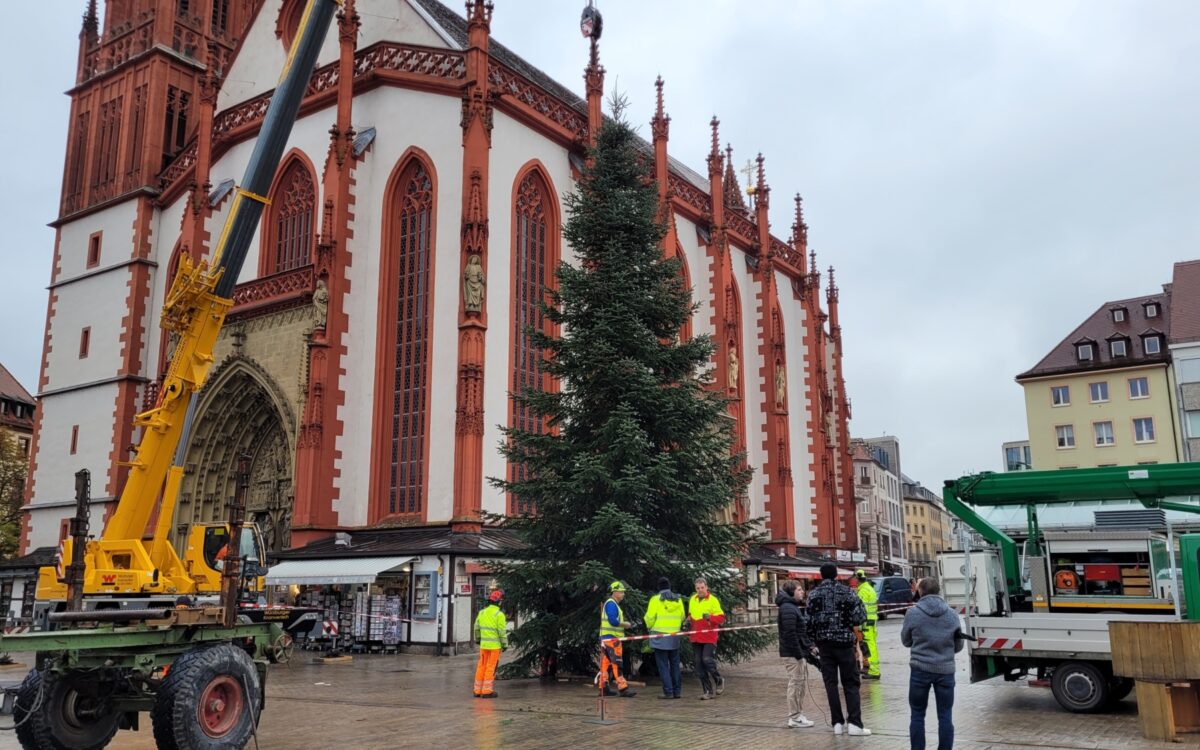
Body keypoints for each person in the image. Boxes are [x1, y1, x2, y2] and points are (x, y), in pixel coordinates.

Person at [807, 563, 870, 736]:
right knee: (850, 682)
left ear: (821, 576)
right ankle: (855, 724)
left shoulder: (813, 595)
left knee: (830, 683)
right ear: (836, 575)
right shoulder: (848, 592)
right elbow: (860, 616)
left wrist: (814, 640)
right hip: (844, 643)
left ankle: (837, 723)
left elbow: (808, 623)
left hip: (824, 644)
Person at [901, 577, 963, 750]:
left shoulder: (913, 613)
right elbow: (958, 645)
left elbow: (906, 641)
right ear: (938, 591)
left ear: (920, 592)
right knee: (945, 715)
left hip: (920, 670)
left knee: (917, 715)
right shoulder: (952, 615)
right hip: (945, 671)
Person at [776, 580, 817, 728]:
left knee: (800, 684)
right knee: (795, 683)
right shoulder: (787, 608)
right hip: (792, 654)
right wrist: (799, 654)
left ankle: (798, 714)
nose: (802, 592)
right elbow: (790, 634)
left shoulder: (792, 607)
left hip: (796, 652)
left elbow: (800, 632)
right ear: (792, 592)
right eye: (799, 590)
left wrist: (809, 647)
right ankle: (794, 716)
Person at [644, 576, 685, 699]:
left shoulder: (655, 600)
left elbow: (649, 618)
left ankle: (668, 692)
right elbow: (682, 616)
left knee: (663, 665)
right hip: (674, 636)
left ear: (659, 587)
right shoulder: (678, 600)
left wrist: (649, 626)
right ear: (669, 587)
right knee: (675, 664)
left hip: (660, 636)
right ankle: (677, 691)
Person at [687, 576, 726, 700]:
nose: (700, 590)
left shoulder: (713, 600)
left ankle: (718, 678)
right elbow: (691, 615)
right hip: (696, 636)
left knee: (707, 659)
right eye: (698, 588)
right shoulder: (692, 599)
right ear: (695, 589)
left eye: (702, 588)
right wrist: (687, 620)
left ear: (706, 587)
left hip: (709, 636)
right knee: (698, 664)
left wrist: (710, 617)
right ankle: (707, 691)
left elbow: (721, 619)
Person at [599, 581, 637, 697]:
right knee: (617, 663)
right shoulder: (611, 604)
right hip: (612, 639)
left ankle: (603, 687)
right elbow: (613, 621)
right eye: (621, 592)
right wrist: (625, 624)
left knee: (605, 664)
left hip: (605, 638)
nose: (623, 594)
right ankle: (623, 688)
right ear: (614, 592)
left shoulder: (610, 604)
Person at [473, 589, 508, 698]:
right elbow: (502, 632)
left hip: (484, 646)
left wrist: (478, 639)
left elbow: (476, 628)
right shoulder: (499, 615)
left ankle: (477, 690)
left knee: (481, 666)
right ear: (500, 602)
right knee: (491, 667)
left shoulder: (482, 612)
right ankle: (487, 691)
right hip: (495, 647)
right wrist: (505, 644)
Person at [855, 570, 881, 680]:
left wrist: (859, 625)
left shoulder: (863, 591)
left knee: (869, 647)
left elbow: (862, 610)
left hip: (866, 623)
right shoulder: (870, 589)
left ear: (857, 579)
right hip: (872, 621)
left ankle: (874, 671)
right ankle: (871, 668)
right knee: (872, 645)